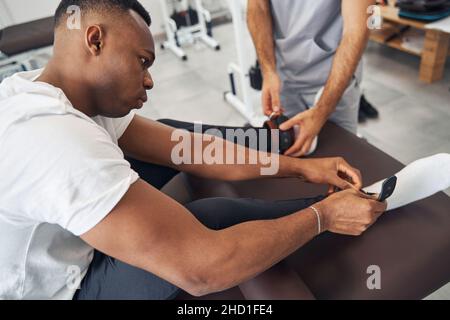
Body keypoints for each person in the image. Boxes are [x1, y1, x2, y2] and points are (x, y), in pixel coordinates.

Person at [0, 0, 447, 300]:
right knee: (208, 221)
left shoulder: (49, 90)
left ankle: (330, 204)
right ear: (94, 40)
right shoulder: (56, 141)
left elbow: (191, 150)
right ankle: (335, 213)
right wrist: (322, 218)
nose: (151, 80)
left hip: (65, 233)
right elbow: (202, 272)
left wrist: (300, 167)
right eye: (143, 62)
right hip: (61, 290)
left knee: (173, 135)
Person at [247, 0, 375, 157]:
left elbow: (357, 29)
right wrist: (268, 71)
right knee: (290, 155)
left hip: (333, 79)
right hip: (283, 75)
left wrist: (321, 111)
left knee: (338, 160)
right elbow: (257, 7)